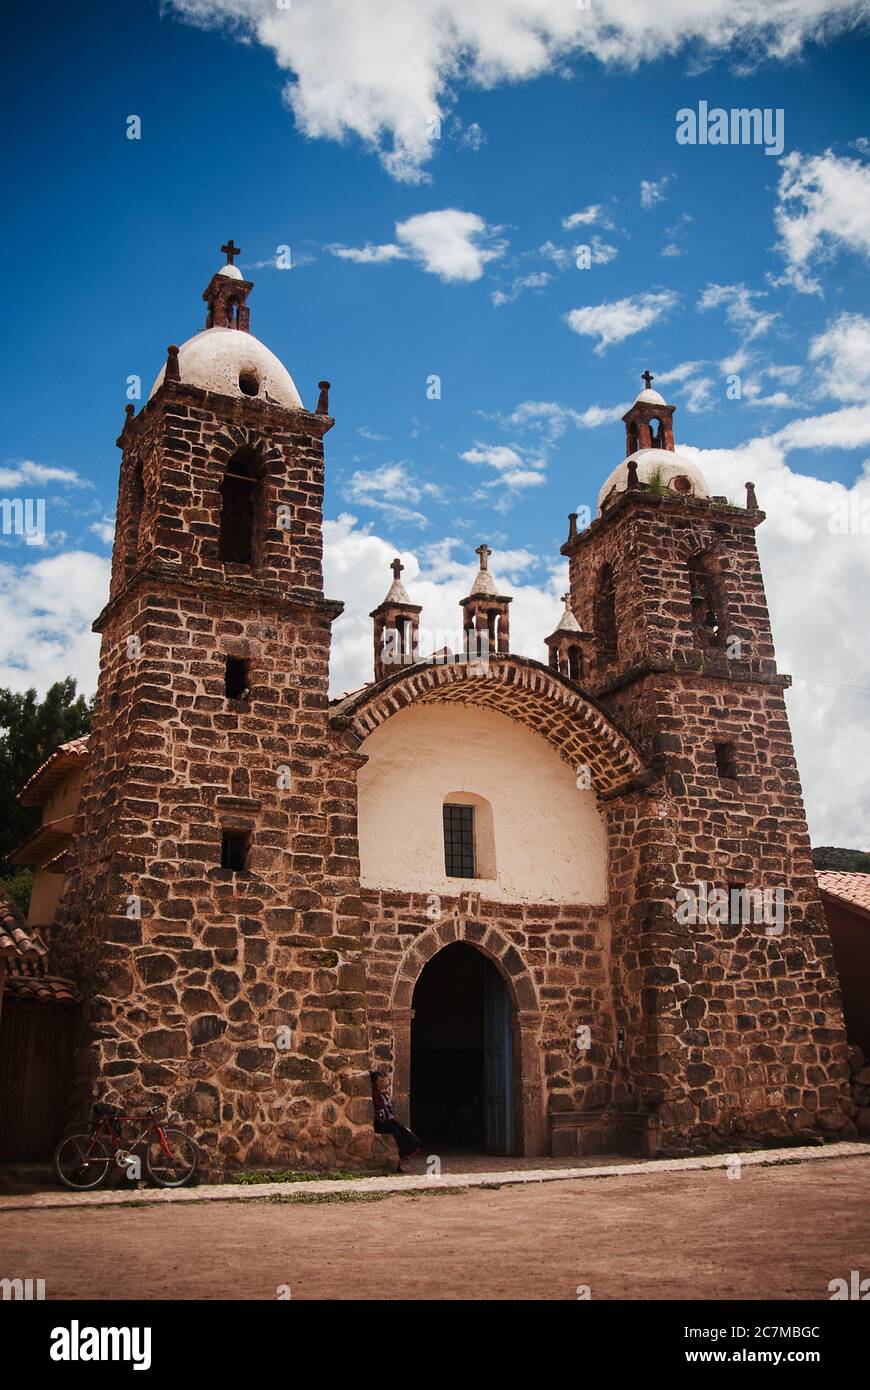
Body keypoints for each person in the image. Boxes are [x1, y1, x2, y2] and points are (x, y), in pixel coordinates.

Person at [370, 1071, 421, 1172]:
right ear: (374, 1082)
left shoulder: (380, 1094)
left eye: (382, 1081)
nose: (381, 1083)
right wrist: (390, 1118)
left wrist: (393, 1116)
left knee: (402, 1130)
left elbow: (387, 1108)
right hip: (381, 1123)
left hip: (387, 1121)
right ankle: (404, 1153)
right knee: (398, 1130)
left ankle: (407, 1151)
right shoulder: (374, 1094)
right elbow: (380, 1113)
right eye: (379, 1081)